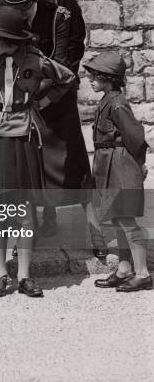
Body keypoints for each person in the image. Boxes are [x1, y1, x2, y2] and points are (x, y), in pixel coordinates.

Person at [0, 6, 75, 297]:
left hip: (23, 137)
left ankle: (24, 276)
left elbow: (67, 78)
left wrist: (42, 102)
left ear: (12, 41)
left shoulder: (34, 60)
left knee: (24, 210)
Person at [3, 0, 89, 237]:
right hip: (24, 86)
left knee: (64, 152)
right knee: (29, 154)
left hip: (56, 86)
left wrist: (57, 79)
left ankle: (76, 217)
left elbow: (76, 42)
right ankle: (33, 213)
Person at [83, 52, 152, 292]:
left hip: (121, 165)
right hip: (108, 164)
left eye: (96, 76)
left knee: (127, 220)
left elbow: (135, 136)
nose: (90, 80)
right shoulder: (107, 100)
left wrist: (140, 164)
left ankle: (142, 273)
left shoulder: (117, 103)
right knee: (117, 218)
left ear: (110, 78)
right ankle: (124, 269)